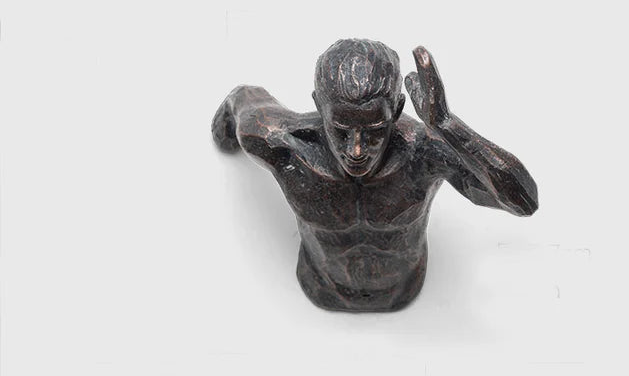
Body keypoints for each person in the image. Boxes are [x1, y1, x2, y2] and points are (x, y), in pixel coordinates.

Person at [212, 39, 538, 312]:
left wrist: (446, 125)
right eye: (341, 131)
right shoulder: (285, 146)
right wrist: (225, 123)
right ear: (318, 107)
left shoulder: (424, 152)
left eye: (374, 131)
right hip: (320, 286)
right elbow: (244, 99)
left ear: (397, 110)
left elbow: (523, 202)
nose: (356, 150)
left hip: (405, 289)